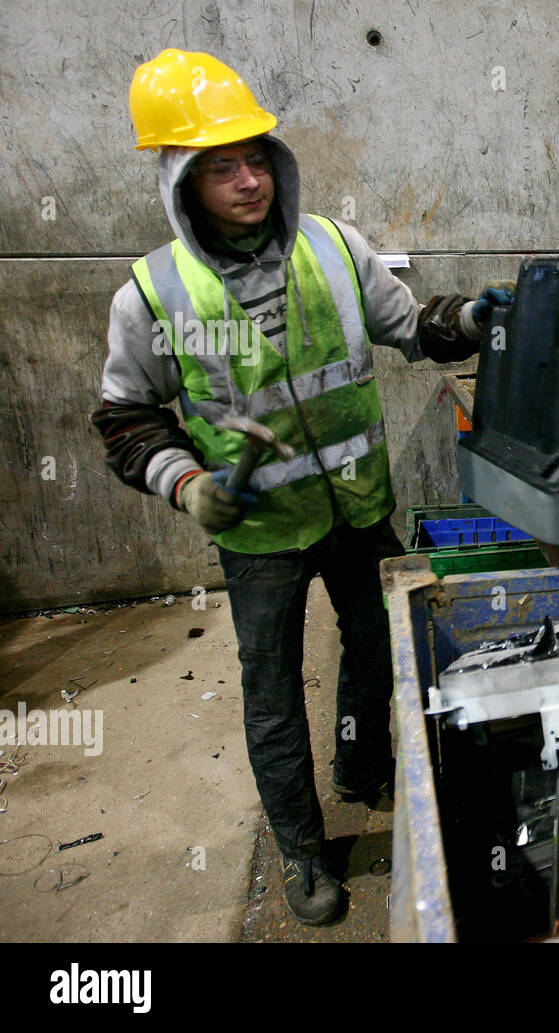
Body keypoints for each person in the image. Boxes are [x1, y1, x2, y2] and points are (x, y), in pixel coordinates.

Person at [92, 49, 513, 925]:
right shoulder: (152, 295)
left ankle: (362, 769)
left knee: (379, 657)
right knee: (274, 694)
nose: (247, 181)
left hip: (359, 510)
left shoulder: (332, 245)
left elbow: (411, 328)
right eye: (221, 167)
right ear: (181, 178)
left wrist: (466, 319)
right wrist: (189, 486)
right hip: (260, 541)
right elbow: (126, 420)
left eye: (254, 159)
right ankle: (301, 847)